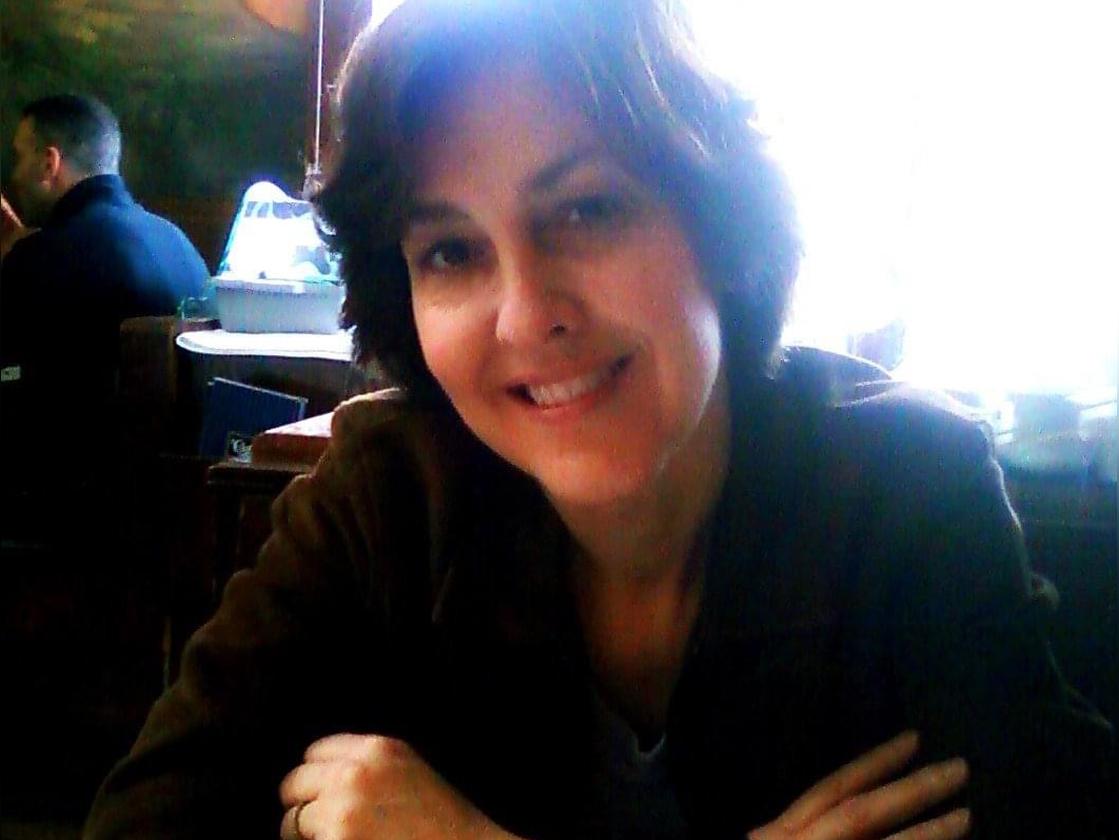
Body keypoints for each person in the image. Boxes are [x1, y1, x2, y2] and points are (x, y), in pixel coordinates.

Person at [84, 1, 1112, 837]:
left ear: (720, 223)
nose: (526, 315)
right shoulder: (383, 496)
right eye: (451, 252)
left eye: (587, 210)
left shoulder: (909, 491)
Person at [1, 94, 208, 477]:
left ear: (49, 163)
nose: (14, 175)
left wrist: (14, 261)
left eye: (19, 157)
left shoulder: (45, 256)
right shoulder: (178, 243)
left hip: (73, 495)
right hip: (178, 489)